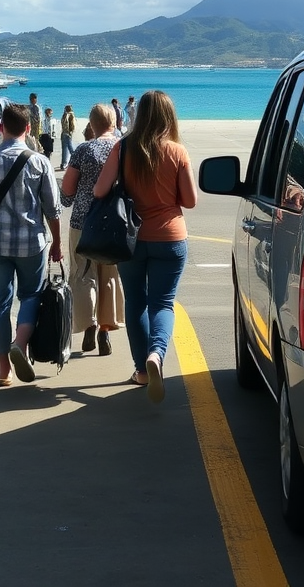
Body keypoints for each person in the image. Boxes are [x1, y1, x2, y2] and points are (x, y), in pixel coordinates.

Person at [94, 90, 197, 402]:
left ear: (139, 115)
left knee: (136, 302)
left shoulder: (123, 147)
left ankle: (141, 370)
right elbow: (190, 201)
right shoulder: (177, 151)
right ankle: (157, 354)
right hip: (170, 237)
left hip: (131, 239)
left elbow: (99, 191)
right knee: (163, 303)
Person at [0, 103, 62, 386]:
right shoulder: (39, 162)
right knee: (31, 296)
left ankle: (4, 369)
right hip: (32, 243)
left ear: (0, 127)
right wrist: (57, 242)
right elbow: (52, 209)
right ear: (28, 128)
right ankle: (20, 342)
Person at [60, 103, 125, 356]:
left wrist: (69, 198)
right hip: (115, 223)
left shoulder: (84, 150)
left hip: (83, 222)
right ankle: (105, 331)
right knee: (109, 275)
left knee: (83, 274)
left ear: (91, 124)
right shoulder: (123, 148)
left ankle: (89, 325)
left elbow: (67, 191)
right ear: (114, 122)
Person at [60, 104, 77, 169]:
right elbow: (72, 125)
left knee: (64, 149)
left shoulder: (64, 115)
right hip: (68, 133)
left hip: (63, 133)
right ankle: (75, 161)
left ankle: (63, 163)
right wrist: (71, 132)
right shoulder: (71, 115)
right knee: (70, 148)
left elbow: (63, 124)